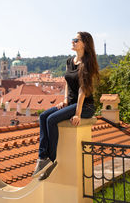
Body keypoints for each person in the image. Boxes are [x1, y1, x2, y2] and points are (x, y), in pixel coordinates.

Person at [33, 31, 99, 180]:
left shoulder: (87, 63)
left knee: (51, 120)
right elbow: (67, 83)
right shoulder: (70, 61)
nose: (72, 42)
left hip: (85, 106)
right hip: (71, 103)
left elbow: (83, 90)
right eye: (72, 39)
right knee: (43, 116)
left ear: (85, 44)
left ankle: (51, 159)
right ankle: (42, 157)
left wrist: (77, 112)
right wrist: (65, 100)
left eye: (76, 40)